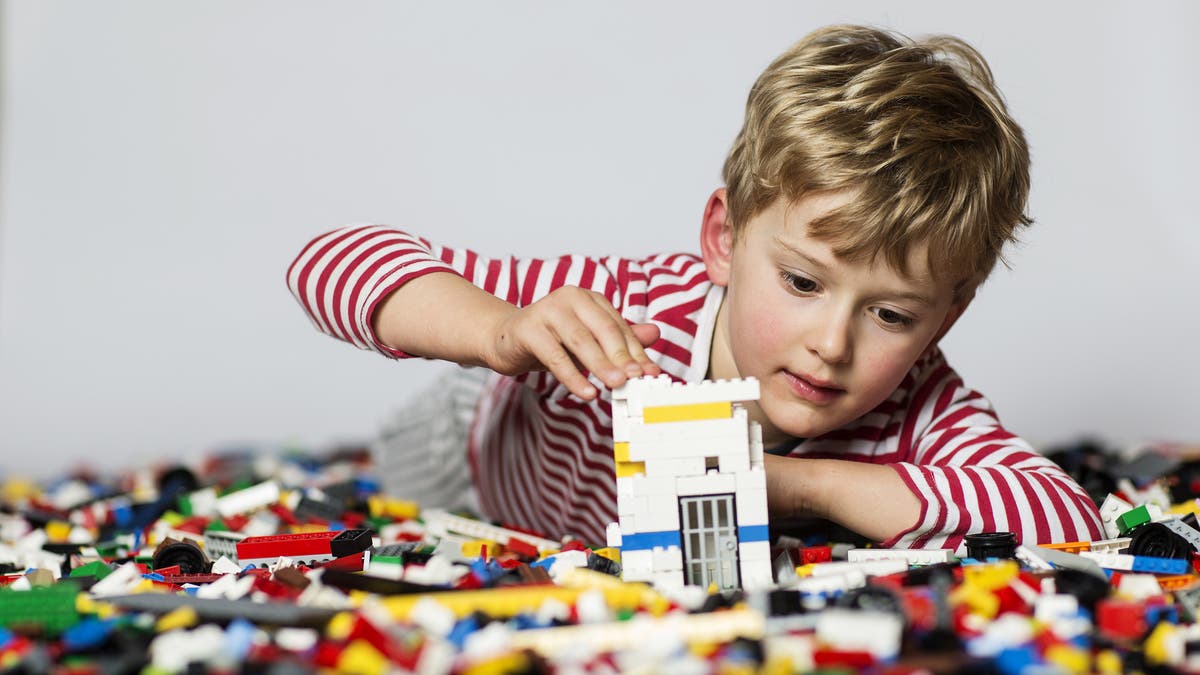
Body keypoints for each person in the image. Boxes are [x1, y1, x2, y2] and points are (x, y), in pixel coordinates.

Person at [287, 25, 1104, 552]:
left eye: (892, 313)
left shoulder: (920, 404)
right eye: (800, 281)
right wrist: (502, 334)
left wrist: (793, 485)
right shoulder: (628, 312)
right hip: (475, 465)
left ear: (947, 316)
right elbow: (327, 263)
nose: (832, 342)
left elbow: (1065, 517)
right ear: (723, 238)